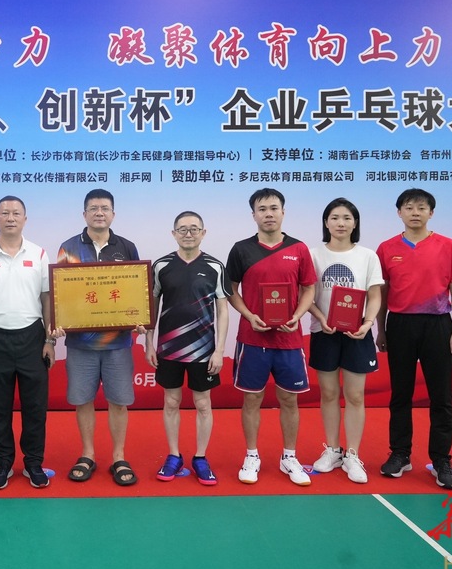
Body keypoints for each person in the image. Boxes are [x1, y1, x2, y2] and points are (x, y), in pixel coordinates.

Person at [375, 189, 452, 491]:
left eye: (421, 208)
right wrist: (381, 329)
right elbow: (383, 292)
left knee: (441, 397)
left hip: (438, 325)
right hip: (400, 325)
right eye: (409, 207)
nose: (415, 212)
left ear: (431, 213)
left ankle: (441, 460)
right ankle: (400, 454)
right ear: (399, 212)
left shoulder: (447, 246)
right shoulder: (386, 248)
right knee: (400, 394)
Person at [226, 188, 316, 486]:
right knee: (252, 399)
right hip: (252, 339)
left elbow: (309, 288)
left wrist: (298, 315)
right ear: (253, 215)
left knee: (289, 399)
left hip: (289, 340)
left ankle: (289, 456)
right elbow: (230, 290)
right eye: (262, 209)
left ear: (283, 212)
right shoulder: (241, 249)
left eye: (274, 208)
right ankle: (252, 455)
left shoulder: (299, 248)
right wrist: (249, 315)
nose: (268, 214)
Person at [0, 196, 56, 490]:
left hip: (32, 337)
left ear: (25, 219)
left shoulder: (39, 254)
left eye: (16, 213)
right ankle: (2, 462)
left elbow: (46, 298)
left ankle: (33, 463)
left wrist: (49, 340)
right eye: (4, 213)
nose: (10, 217)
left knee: (35, 407)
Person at [57, 188, 142, 487]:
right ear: (84, 214)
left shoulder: (127, 247)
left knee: (119, 401)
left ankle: (119, 456)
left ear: (113, 214)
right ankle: (88, 454)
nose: (99, 213)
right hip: (81, 344)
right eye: (93, 208)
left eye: (105, 208)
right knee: (83, 401)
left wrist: (139, 317)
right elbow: (61, 294)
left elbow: (136, 289)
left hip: (118, 343)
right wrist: (59, 321)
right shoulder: (68, 247)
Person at [144, 211, 230, 486]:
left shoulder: (215, 266)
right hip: (168, 348)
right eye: (182, 229)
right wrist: (149, 342)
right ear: (174, 234)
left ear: (203, 233)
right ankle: (173, 455)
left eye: (194, 229)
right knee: (171, 401)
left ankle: (200, 458)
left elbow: (223, 310)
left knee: (203, 403)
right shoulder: (161, 266)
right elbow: (152, 307)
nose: (188, 233)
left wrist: (219, 350)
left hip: (203, 349)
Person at [306, 198, 384, 484]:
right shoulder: (312, 255)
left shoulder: (368, 256)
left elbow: (375, 295)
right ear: (326, 223)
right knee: (328, 394)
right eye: (335, 217)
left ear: (355, 223)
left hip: (357, 334)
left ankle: (352, 454)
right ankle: (332, 450)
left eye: (347, 218)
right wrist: (320, 317)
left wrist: (367, 323)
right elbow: (306, 295)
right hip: (324, 332)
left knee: (355, 396)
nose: (341, 223)